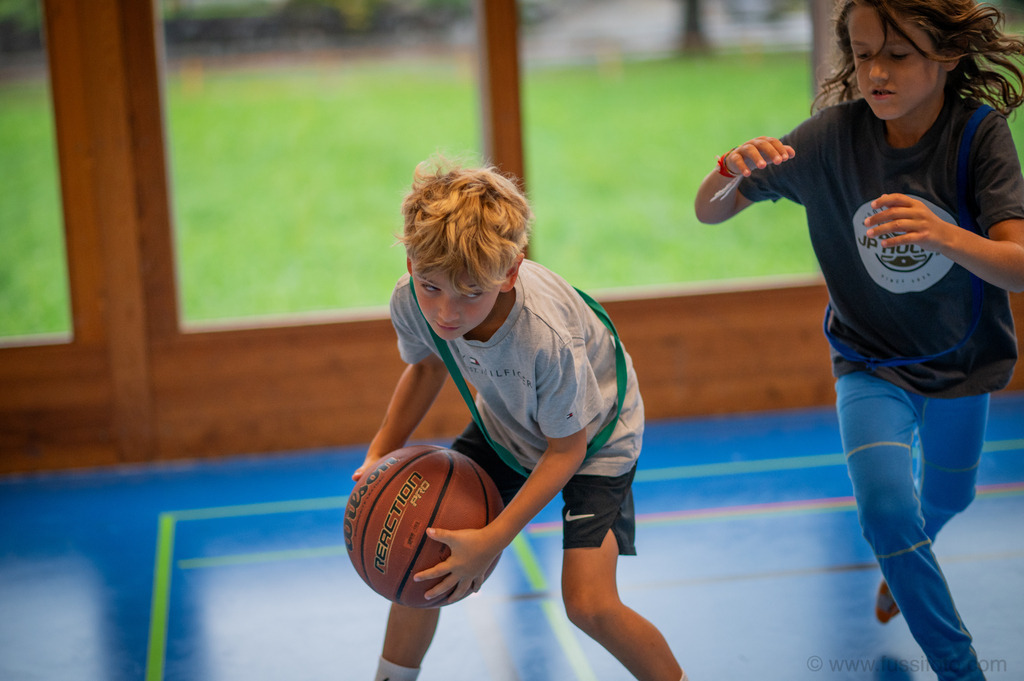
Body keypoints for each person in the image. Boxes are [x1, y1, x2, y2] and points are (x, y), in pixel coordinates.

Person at [694, 1, 1024, 679]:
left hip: (962, 361)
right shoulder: (828, 140)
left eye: (897, 55)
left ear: (948, 57)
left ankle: (904, 563)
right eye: (863, 52)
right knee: (884, 508)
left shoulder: (978, 137)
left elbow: (1017, 265)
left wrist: (948, 236)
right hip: (869, 362)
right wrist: (726, 171)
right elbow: (710, 211)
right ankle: (961, 666)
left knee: (946, 501)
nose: (875, 70)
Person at [353, 160, 687, 681]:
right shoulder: (412, 300)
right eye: (431, 286)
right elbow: (424, 367)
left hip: (595, 440)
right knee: (420, 558)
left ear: (509, 273)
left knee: (588, 604)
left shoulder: (543, 337)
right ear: (414, 262)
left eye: (469, 293)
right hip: (509, 425)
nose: (446, 313)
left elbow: (566, 452)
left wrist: (493, 538)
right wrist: (380, 453)